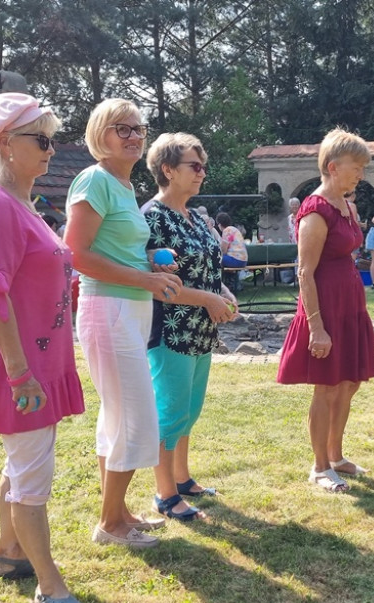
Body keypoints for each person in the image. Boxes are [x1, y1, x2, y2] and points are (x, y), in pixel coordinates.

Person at [0, 92, 96, 603]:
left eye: (51, 139)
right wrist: (20, 375)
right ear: (4, 144)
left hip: (39, 360)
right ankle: (50, 588)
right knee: (32, 478)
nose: (50, 149)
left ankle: (8, 554)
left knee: (21, 466)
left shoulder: (22, 204)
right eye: (40, 139)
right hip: (21, 368)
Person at [65, 98, 183, 549]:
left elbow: (111, 248)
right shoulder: (95, 180)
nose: (134, 136)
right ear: (101, 134)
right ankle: (110, 525)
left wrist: (149, 260)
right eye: (123, 128)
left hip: (128, 307)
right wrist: (144, 278)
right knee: (136, 418)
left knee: (118, 417)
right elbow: (76, 253)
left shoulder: (122, 184)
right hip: (108, 308)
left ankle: (119, 514)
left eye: (139, 128)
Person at [276, 129, 374, 492]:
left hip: (349, 304)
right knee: (327, 387)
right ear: (333, 167)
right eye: (357, 167)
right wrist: (317, 328)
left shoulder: (347, 206)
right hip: (324, 308)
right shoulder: (315, 210)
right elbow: (305, 272)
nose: (361, 174)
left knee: (349, 382)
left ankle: (336, 456)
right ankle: (320, 466)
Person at [143, 132, 238, 521]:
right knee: (170, 414)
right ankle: (165, 494)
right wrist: (209, 300)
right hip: (172, 330)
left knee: (189, 410)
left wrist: (224, 294)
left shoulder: (195, 216)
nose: (202, 173)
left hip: (201, 330)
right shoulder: (153, 217)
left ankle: (181, 479)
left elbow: (208, 269)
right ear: (167, 170)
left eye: (203, 167)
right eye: (194, 166)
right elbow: (159, 283)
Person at [215, 212, 248, 291]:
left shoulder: (227, 231)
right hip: (243, 260)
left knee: (214, 259)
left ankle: (217, 284)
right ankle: (232, 283)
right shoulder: (234, 229)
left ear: (219, 224)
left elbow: (223, 250)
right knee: (221, 261)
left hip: (235, 260)